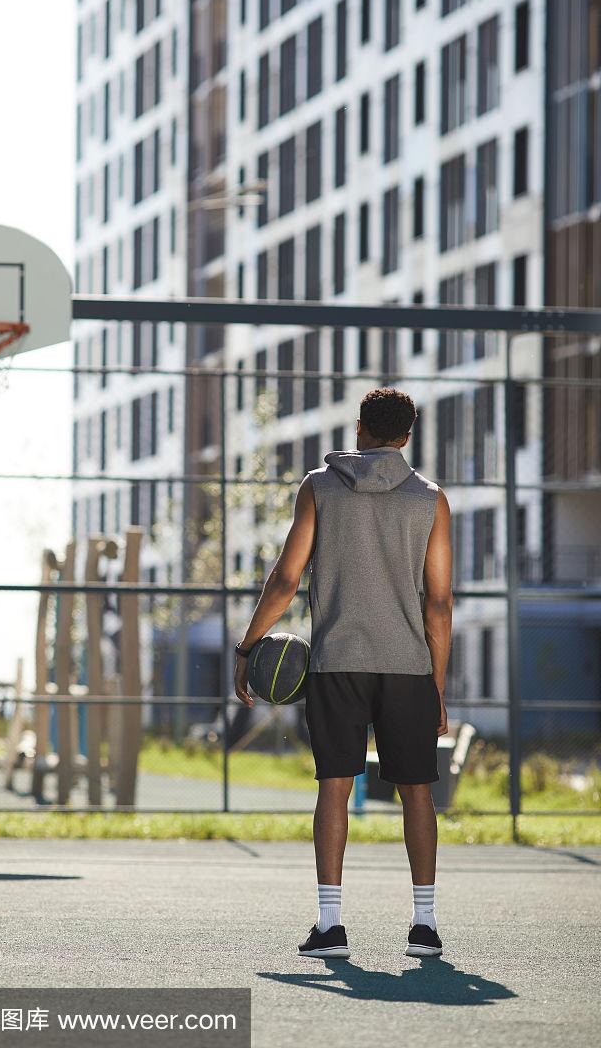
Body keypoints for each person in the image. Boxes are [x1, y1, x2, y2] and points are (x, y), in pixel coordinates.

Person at [234, 387, 452, 960]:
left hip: (336, 663)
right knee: (417, 791)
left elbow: (286, 579)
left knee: (335, 784)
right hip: (407, 665)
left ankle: (330, 926)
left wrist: (248, 647)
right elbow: (438, 602)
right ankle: (424, 925)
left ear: (359, 428)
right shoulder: (431, 500)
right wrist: (437, 684)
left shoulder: (319, 487)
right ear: (406, 437)